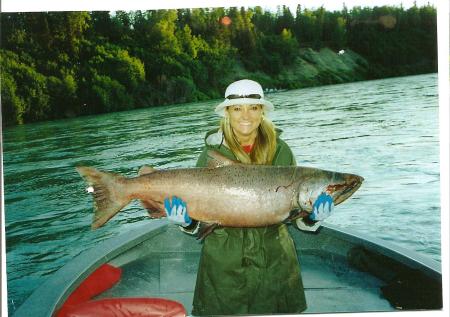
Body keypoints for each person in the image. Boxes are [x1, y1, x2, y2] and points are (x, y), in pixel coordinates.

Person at [163, 79, 332, 315]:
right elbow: (200, 218)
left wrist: (313, 218)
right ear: (227, 113)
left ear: (262, 111)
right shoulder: (211, 154)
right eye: (237, 108)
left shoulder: (281, 150)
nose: (246, 115)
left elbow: (295, 216)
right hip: (223, 265)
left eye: (253, 108)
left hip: (275, 263)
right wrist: (187, 222)